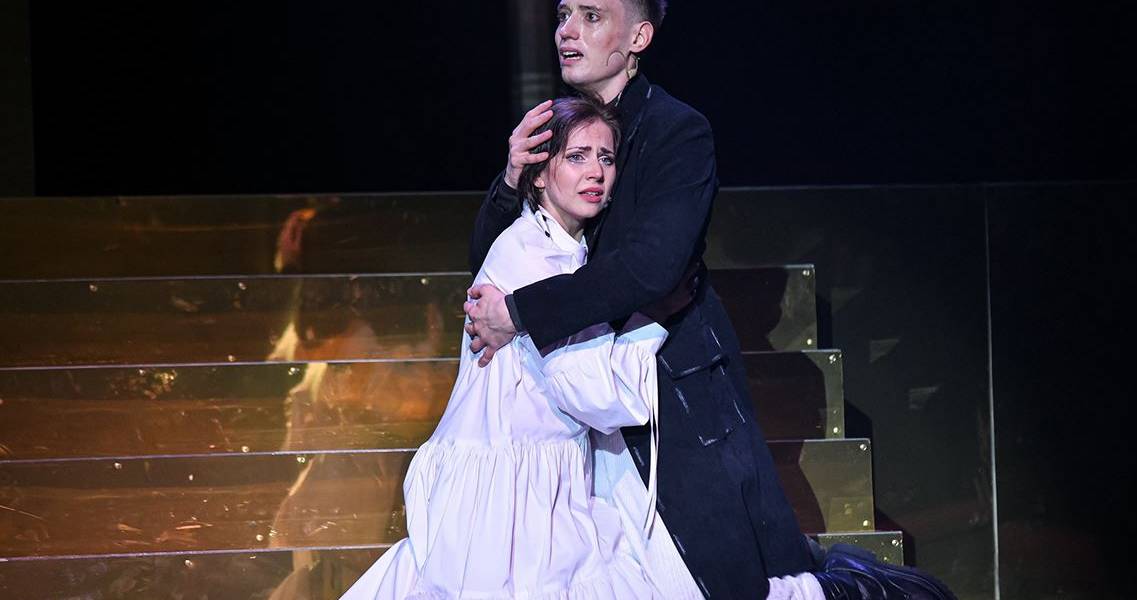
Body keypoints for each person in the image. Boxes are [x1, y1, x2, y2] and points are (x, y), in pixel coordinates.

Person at [464, 2, 957, 599]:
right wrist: (510, 180)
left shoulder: (677, 131)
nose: (567, 30)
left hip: (675, 384)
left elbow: (652, 267)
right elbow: (497, 266)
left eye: (592, 16)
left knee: (730, 579)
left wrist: (520, 313)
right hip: (586, 395)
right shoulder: (561, 127)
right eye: (565, 14)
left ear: (639, 36)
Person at [340, 96, 707, 599]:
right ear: (538, 175)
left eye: (606, 157)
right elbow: (596, 397)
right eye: (576, 156)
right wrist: (654, 318)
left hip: (539, 484)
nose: (596, 172)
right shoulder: (529, 255)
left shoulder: (566, 252)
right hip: (509, 504)